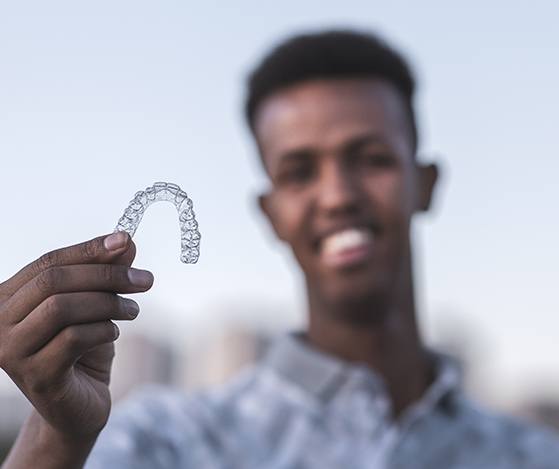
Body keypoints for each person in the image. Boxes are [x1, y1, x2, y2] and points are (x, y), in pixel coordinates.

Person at [1, 29, 558, 469]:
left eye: (371, 159)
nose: (338, 196)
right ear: (270, 214)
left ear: (426, 182)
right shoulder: (165, 442)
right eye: (300, 172)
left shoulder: (532, 457)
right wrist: (56, 437)